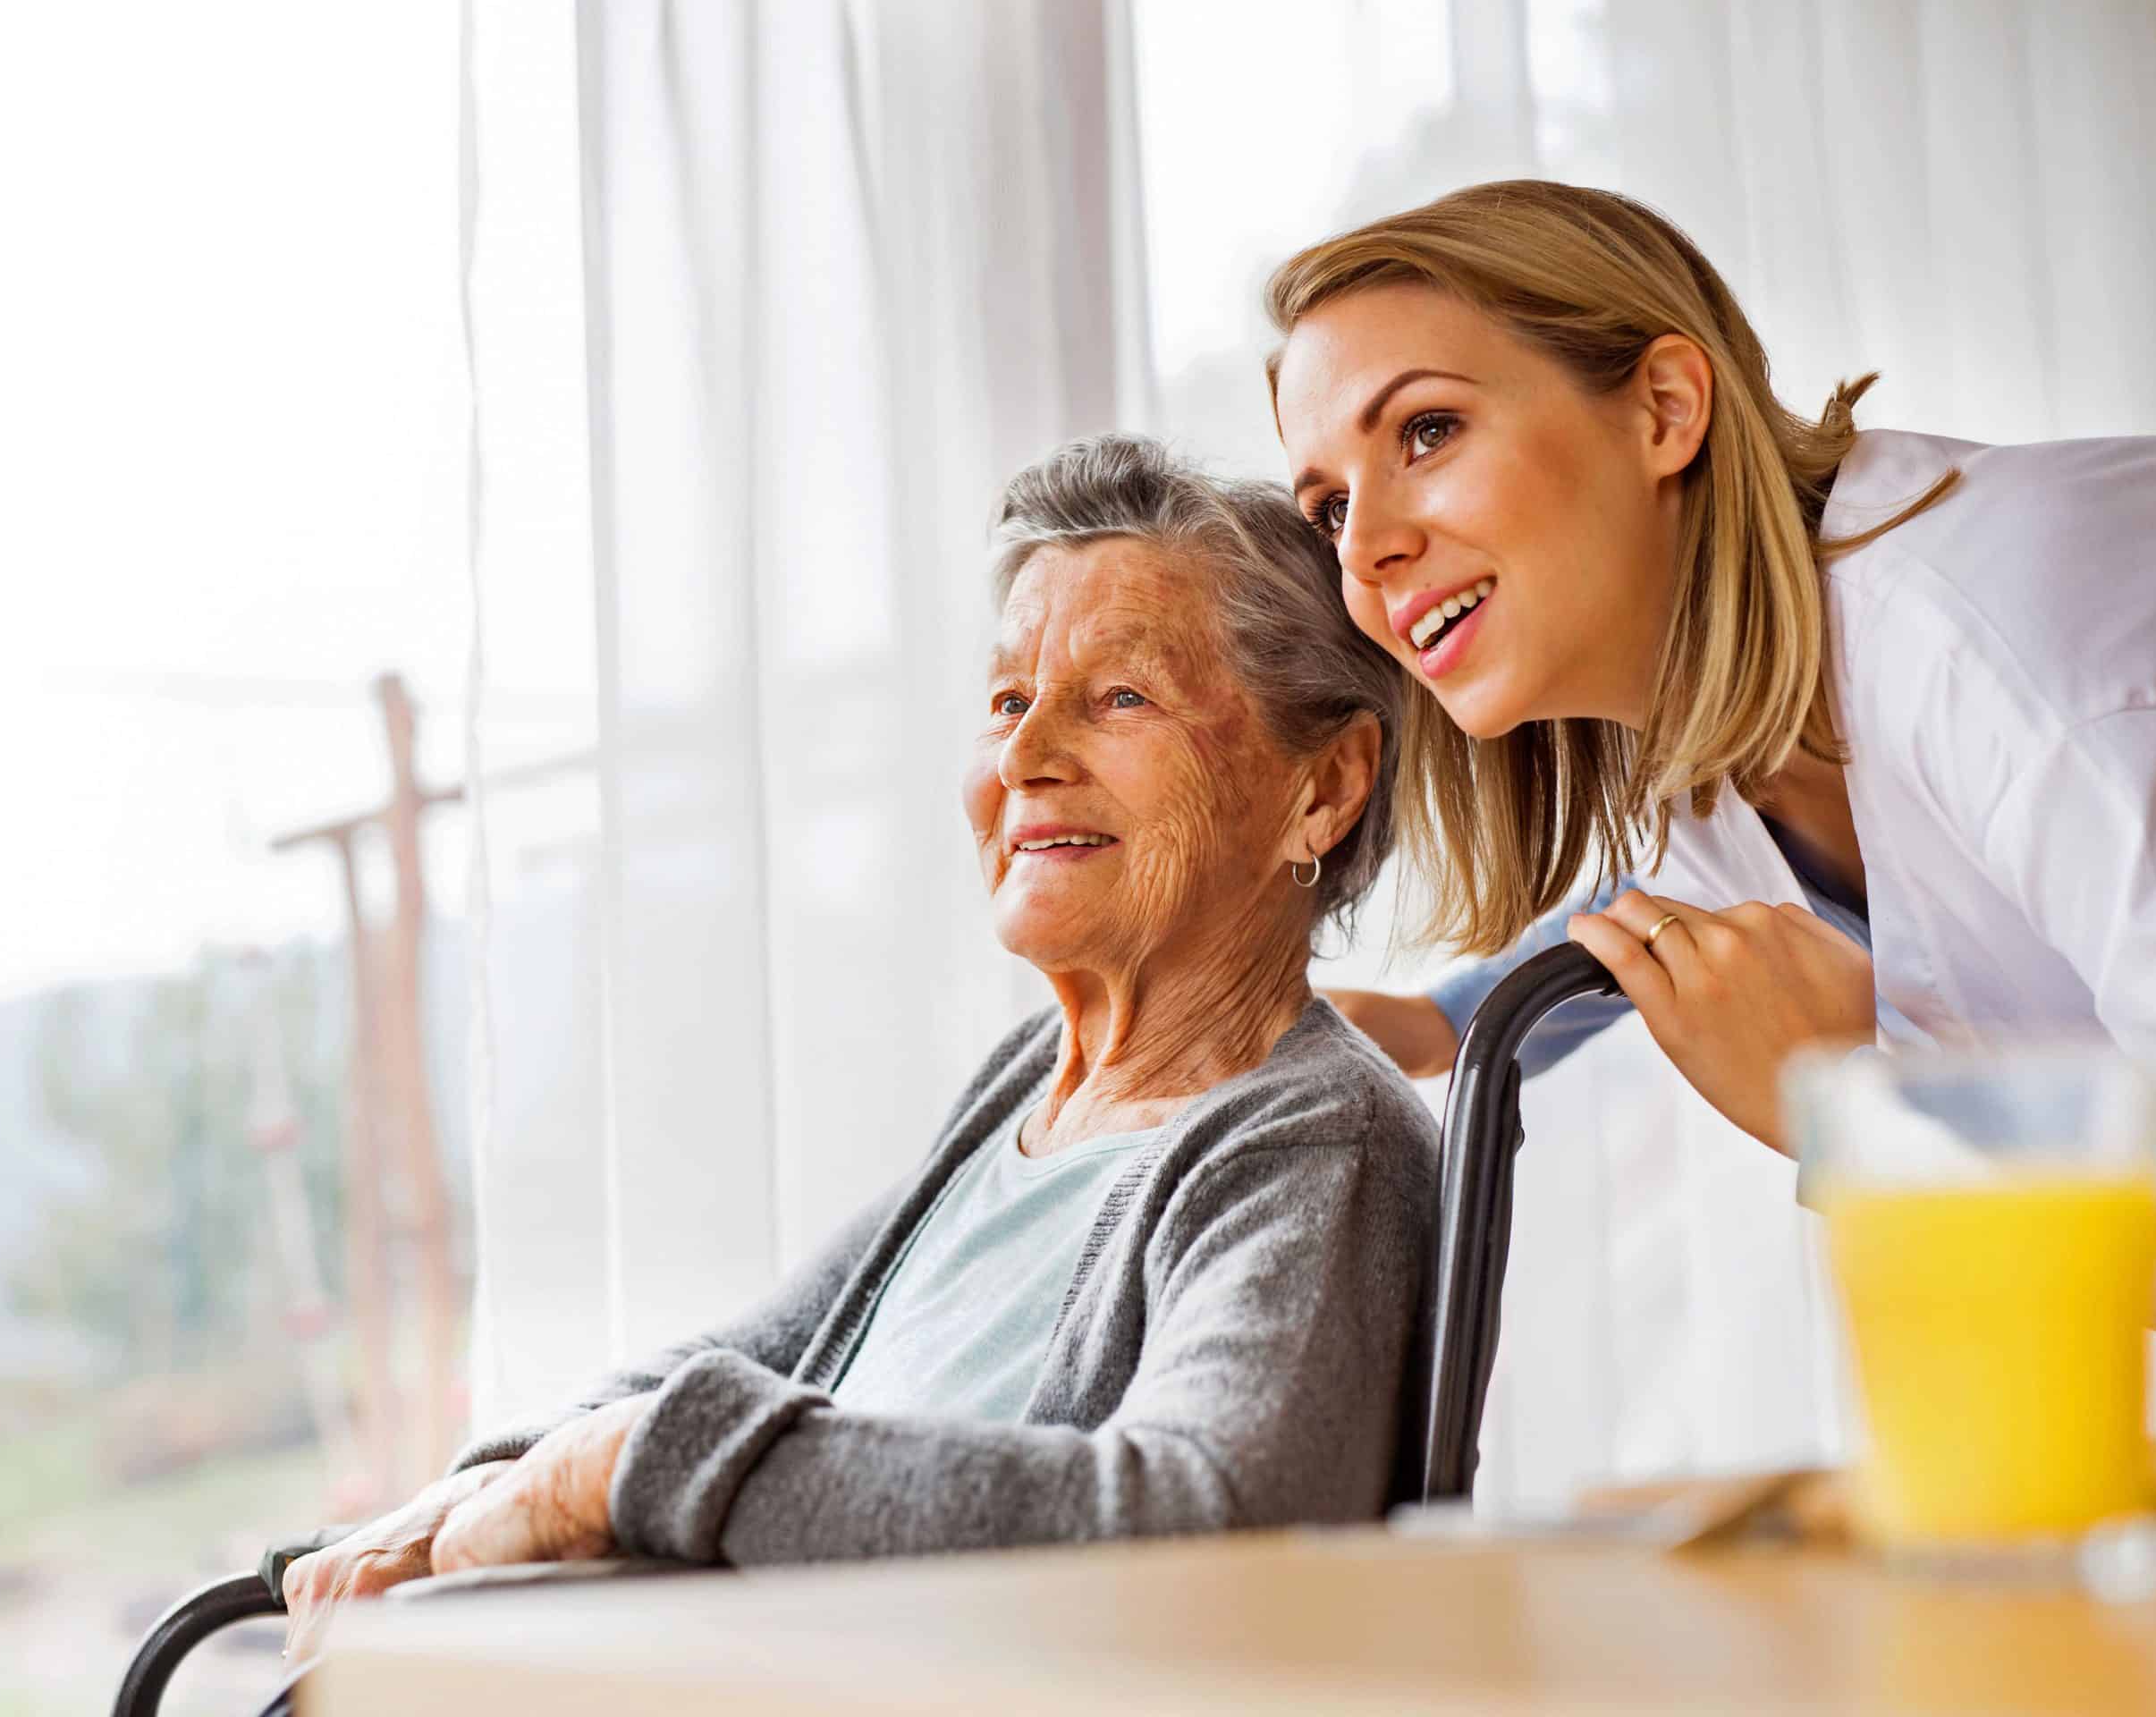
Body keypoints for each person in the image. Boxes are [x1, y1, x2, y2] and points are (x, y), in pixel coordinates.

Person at [272, 436, 1435, 1680]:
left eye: (1120, 698)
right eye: (1006, 702)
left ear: (1324, 786)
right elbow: (749, 1357)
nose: (1024, 758)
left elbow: (1206, 1524)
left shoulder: (1314, 1145)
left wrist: (620, 1470)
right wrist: (505, 1476)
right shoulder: (1032, 1087)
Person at [1268, 179, 2156, 1394]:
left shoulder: (2018, 666)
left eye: (1428, 431)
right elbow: (1677, 895)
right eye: (1328, 506)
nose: (1363, 549)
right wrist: (1441, 1023)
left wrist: (1874, 1125)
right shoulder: (1743, 727)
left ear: (1665, 408)